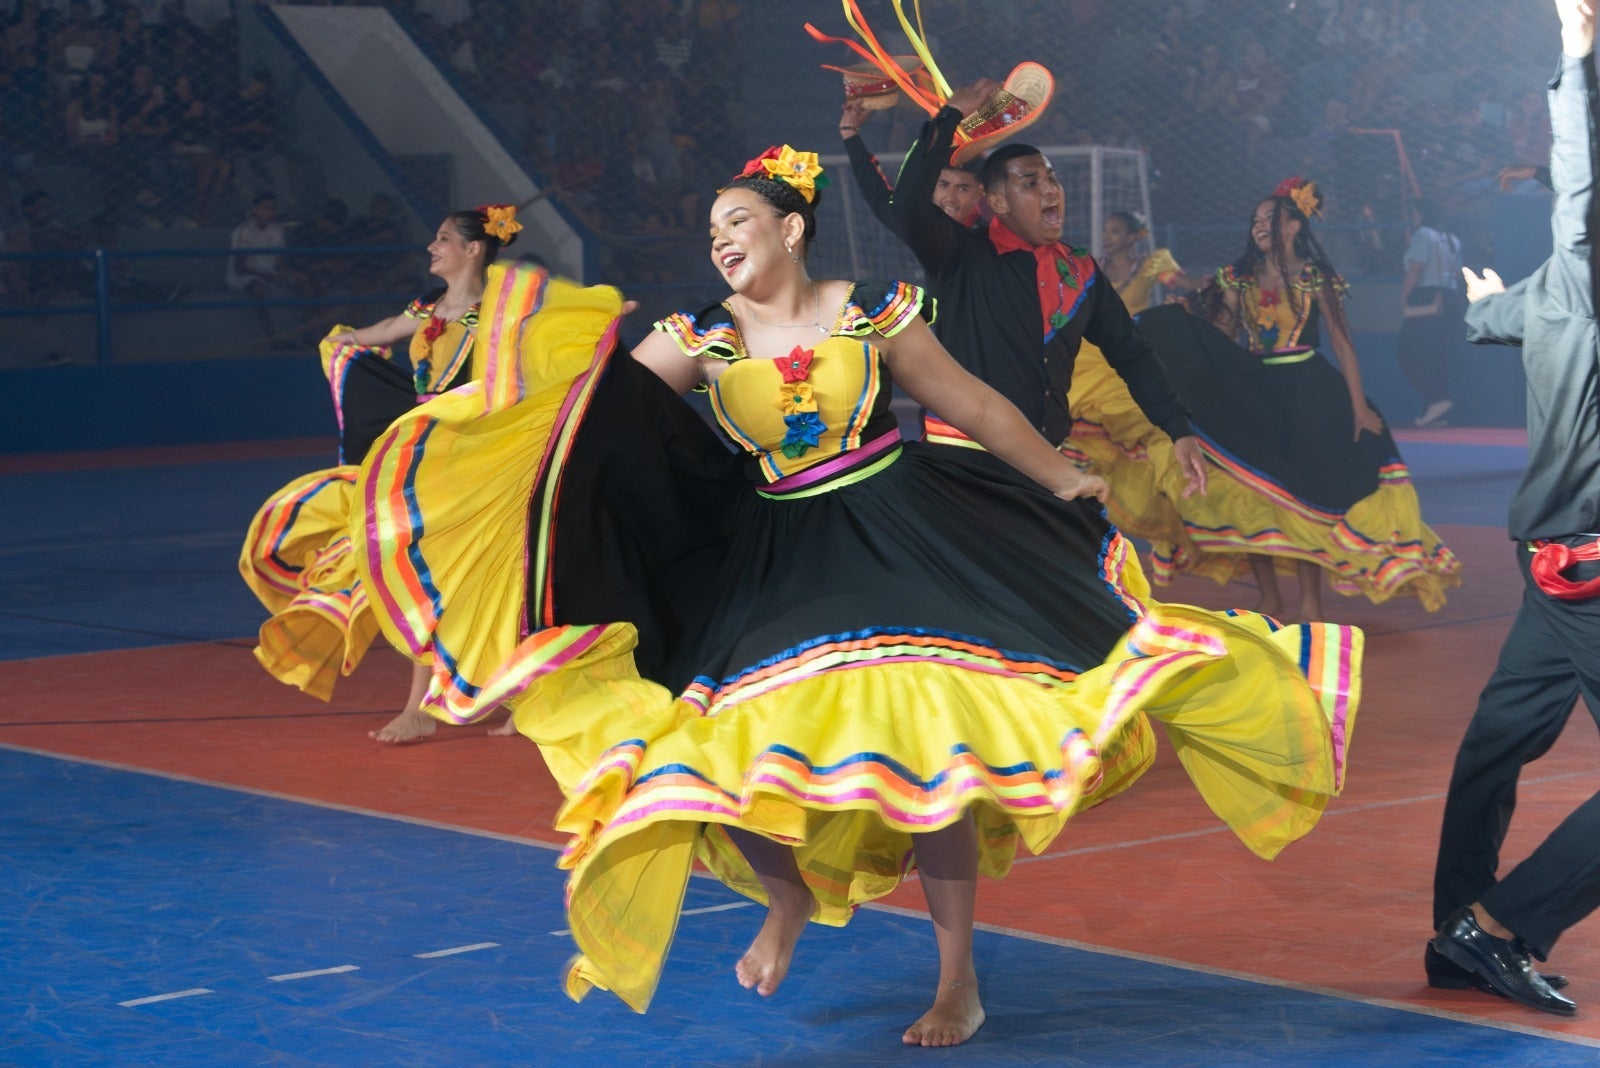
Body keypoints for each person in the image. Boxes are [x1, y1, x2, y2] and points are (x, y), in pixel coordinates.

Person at [352, 148, 1361, 1048]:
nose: (721, 244)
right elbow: (599, 411)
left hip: (900, 534)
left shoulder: (873, 310)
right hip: (773, 554)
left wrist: (1063, 477)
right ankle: (784, 896)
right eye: (710, 234)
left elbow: (968, 404)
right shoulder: (699, 337)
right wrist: (497, 419)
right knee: (702, 744)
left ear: (791, 229)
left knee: (932, 743)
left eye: (737, 223)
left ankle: (957, 978)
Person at [1426, 0, 1599, 1019]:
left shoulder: (1549, 294)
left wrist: (1490, 299)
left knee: (1495, 743)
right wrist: (1573, 53)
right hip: (1585, 564)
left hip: (1550, 564)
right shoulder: (1577, 270)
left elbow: (1492, 315)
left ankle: (1454, 936)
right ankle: (1498, 927)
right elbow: (1575, 170)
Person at [239, 204, 522, 743]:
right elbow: (381, 332)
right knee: (435, 575)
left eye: (442, 239)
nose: (432, 247)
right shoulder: (429, 308)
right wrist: (340, 347)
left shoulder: (502, 312)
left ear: (473, 249)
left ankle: (466, 702)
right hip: (424, 455)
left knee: (467, 576)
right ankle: (466, 700)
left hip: (473, 457)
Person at [1129, 180, 1459, 620]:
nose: (1260, 226)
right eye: (1255, 220)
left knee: (1302, 494)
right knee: (1255, 491)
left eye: (1270, 218)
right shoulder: (1237, 278)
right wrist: (1186, 322)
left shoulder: (1315, 277)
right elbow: (1223, 338)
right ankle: (1270, 597)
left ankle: (1309, 602)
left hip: (1308, 392)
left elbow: (1343, 345)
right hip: (1253, 388)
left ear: (1293, 225)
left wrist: (1359, 408)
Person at [876, 79, 1210, 506]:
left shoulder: (1082, 271)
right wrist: (949, 118)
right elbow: (906, 206)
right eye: (1031, 183)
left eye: (1052, 180)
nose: (1051, 190)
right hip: (961, 464)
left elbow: (1131, 351)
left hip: (1042, 465)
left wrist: (1177, 428)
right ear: (997, 202)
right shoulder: (960, 254)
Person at [837, 96, 985, 238]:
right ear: (931, 185)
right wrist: (848, 130)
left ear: (980, 191)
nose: (950, 198)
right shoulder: (915, 226)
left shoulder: (992, 237)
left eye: (963, 188)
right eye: (943, 184)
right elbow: (874, 187)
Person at [1396, 200, 1465, 428]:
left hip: (1426, 295)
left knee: (1408, 352)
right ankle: (1435, 409)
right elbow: (1455, 272)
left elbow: (1416, 268)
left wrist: (1405, 294)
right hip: (1449, 297)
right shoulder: (1452, 239)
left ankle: (1437, 400)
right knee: (1435, 355)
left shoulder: (1423, 234)